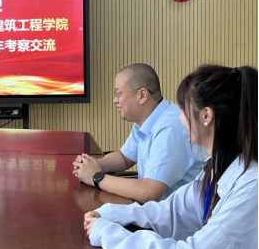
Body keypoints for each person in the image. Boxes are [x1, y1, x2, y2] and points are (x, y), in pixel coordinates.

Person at [84, 64, 258, 249]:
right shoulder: (215, 167)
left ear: (206, 116)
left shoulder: (250, 186)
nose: (180, 117)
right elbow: (172, 211)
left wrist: (109, 233)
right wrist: (111, 214)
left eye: (183, 109)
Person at [74, 63, 206, 203]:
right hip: (153, 209)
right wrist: (93, 165)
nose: (115, 100)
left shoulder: (170, 129)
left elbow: (148, 192)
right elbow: (124, 157)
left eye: (119, 93)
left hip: (173, 214)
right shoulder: (147, 119)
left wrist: (96, 177)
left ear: (142, 95)